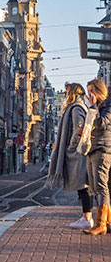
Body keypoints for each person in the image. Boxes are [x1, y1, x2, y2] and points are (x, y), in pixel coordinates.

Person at [46, 82, 92, 229]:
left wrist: (71, 148)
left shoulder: (76, 108)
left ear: (71, 92)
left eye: (67, 92)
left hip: (77, 154)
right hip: (79, 153)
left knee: (83, 186)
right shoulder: (80, 106)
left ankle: (87, 217)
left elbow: (78, 129)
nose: (65, 95)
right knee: (83, 185)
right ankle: (86, 216)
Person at [84, 78, 111, 235]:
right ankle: (107, 222)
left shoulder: (107, 105)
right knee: (94, 187)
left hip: (103, 149)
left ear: (100, 92)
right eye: (88, 92)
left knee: (101, 186)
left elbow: (101, 124)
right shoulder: (98, 107)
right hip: (93, 149)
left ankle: (101, 224)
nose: (90, 95)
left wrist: (93, 107)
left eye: (92, 91)